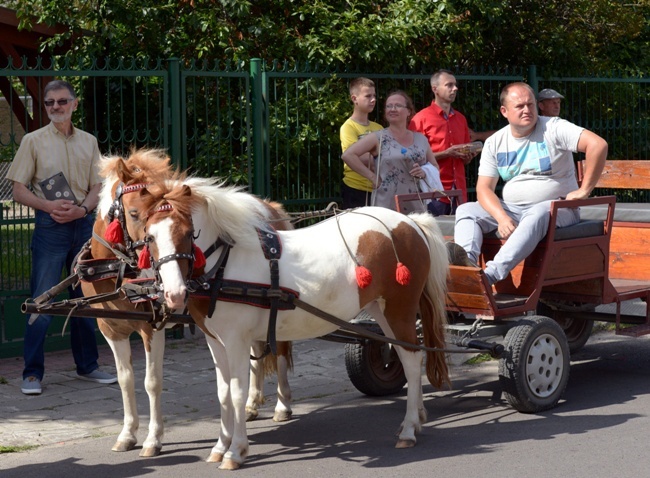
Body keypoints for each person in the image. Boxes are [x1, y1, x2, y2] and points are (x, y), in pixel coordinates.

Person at [5, 80, 117, 395]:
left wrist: (82, 210)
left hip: (83, 226)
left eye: (62, 101)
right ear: (45, 106)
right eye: (50, 102)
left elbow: (98, 186)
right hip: (50, 226)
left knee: (85, 299)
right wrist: (49, 205)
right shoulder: (33, 141)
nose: (56, 107)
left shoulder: (89, 141)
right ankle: (31, 374)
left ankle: (88, 367)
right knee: (43, 298)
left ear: (74, 103)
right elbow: (18, 189)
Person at [450, 82, 608, 285]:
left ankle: (490, 276)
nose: (527, 110)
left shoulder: (553, 127)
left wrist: (584, 190)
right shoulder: (495, 141)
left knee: (540, 211)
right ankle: (466, 270)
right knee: (466, 210)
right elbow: (484, 188)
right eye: (520, 106)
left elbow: (598, 144)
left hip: (558, 209)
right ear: (504, 111)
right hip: (513, 209)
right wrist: (502, 217)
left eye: (530, 104)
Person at [342, 89, 441, 214]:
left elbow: (435, 166)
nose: (392, 109)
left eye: (398, 105)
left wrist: (424, 172)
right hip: (386, 205)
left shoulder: (421, 139)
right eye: (389, 106)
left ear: (408, 111)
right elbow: (348, 155)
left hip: (416, 204)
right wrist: (373, 178)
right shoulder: (378, 137)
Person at [409, 69, 480, 215]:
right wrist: (446, 153)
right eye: (449, 85)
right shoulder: (421, 119)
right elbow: (414, 158)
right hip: (433, 189)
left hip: (459, 189)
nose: (455, 88)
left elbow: (465, 159)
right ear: (435, 89)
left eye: (455, 85)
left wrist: (467, 157)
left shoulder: (461, 119)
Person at [340, 77, 384, 209]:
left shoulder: (379, 128)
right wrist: (377, 157)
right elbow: (355, 157)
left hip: (378, 189)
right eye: (368, 96)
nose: (373, 99)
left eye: (374, 95)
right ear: (354, 99)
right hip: (355, 188)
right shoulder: (349, 127)